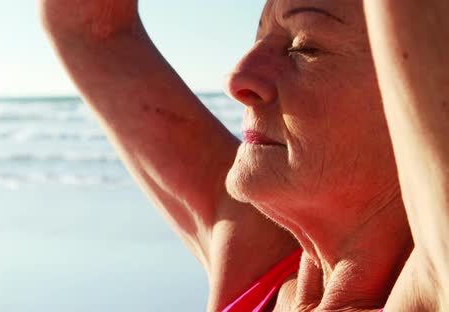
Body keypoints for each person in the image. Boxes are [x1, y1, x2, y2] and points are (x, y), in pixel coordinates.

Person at [40, 0, 449, 311]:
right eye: (259, 39)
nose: (237, 78)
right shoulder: (252, 257)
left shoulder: (435, 285)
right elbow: (88, 26)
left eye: (304, 48)